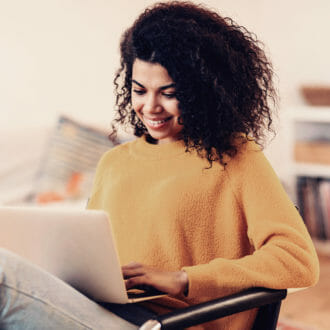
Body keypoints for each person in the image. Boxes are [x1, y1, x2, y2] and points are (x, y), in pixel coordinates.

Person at [0, 1, 319, 329]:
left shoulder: (236, 156)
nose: (150, 106)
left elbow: (298, 260)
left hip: (173, 323)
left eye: (168, 93)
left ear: (202, 91)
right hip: (105, 312)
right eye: (139, 90)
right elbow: (91, 259)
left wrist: (183, 279)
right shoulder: (114, 162)